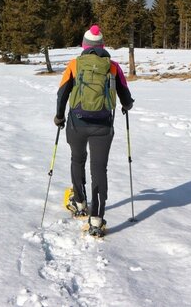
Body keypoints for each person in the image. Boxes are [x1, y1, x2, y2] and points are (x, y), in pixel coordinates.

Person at [54, 24, 134, 237]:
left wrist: (59, 117)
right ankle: (97, 220)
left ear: (84, 45)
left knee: (77, 159)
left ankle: (80, 203)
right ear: (102, 46)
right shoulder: (113, 67)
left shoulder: (75, 64)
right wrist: (126, 106)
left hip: (77, 124)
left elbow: (62, 93)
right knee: (99, 169)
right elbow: (126, 98)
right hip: (103, 125)